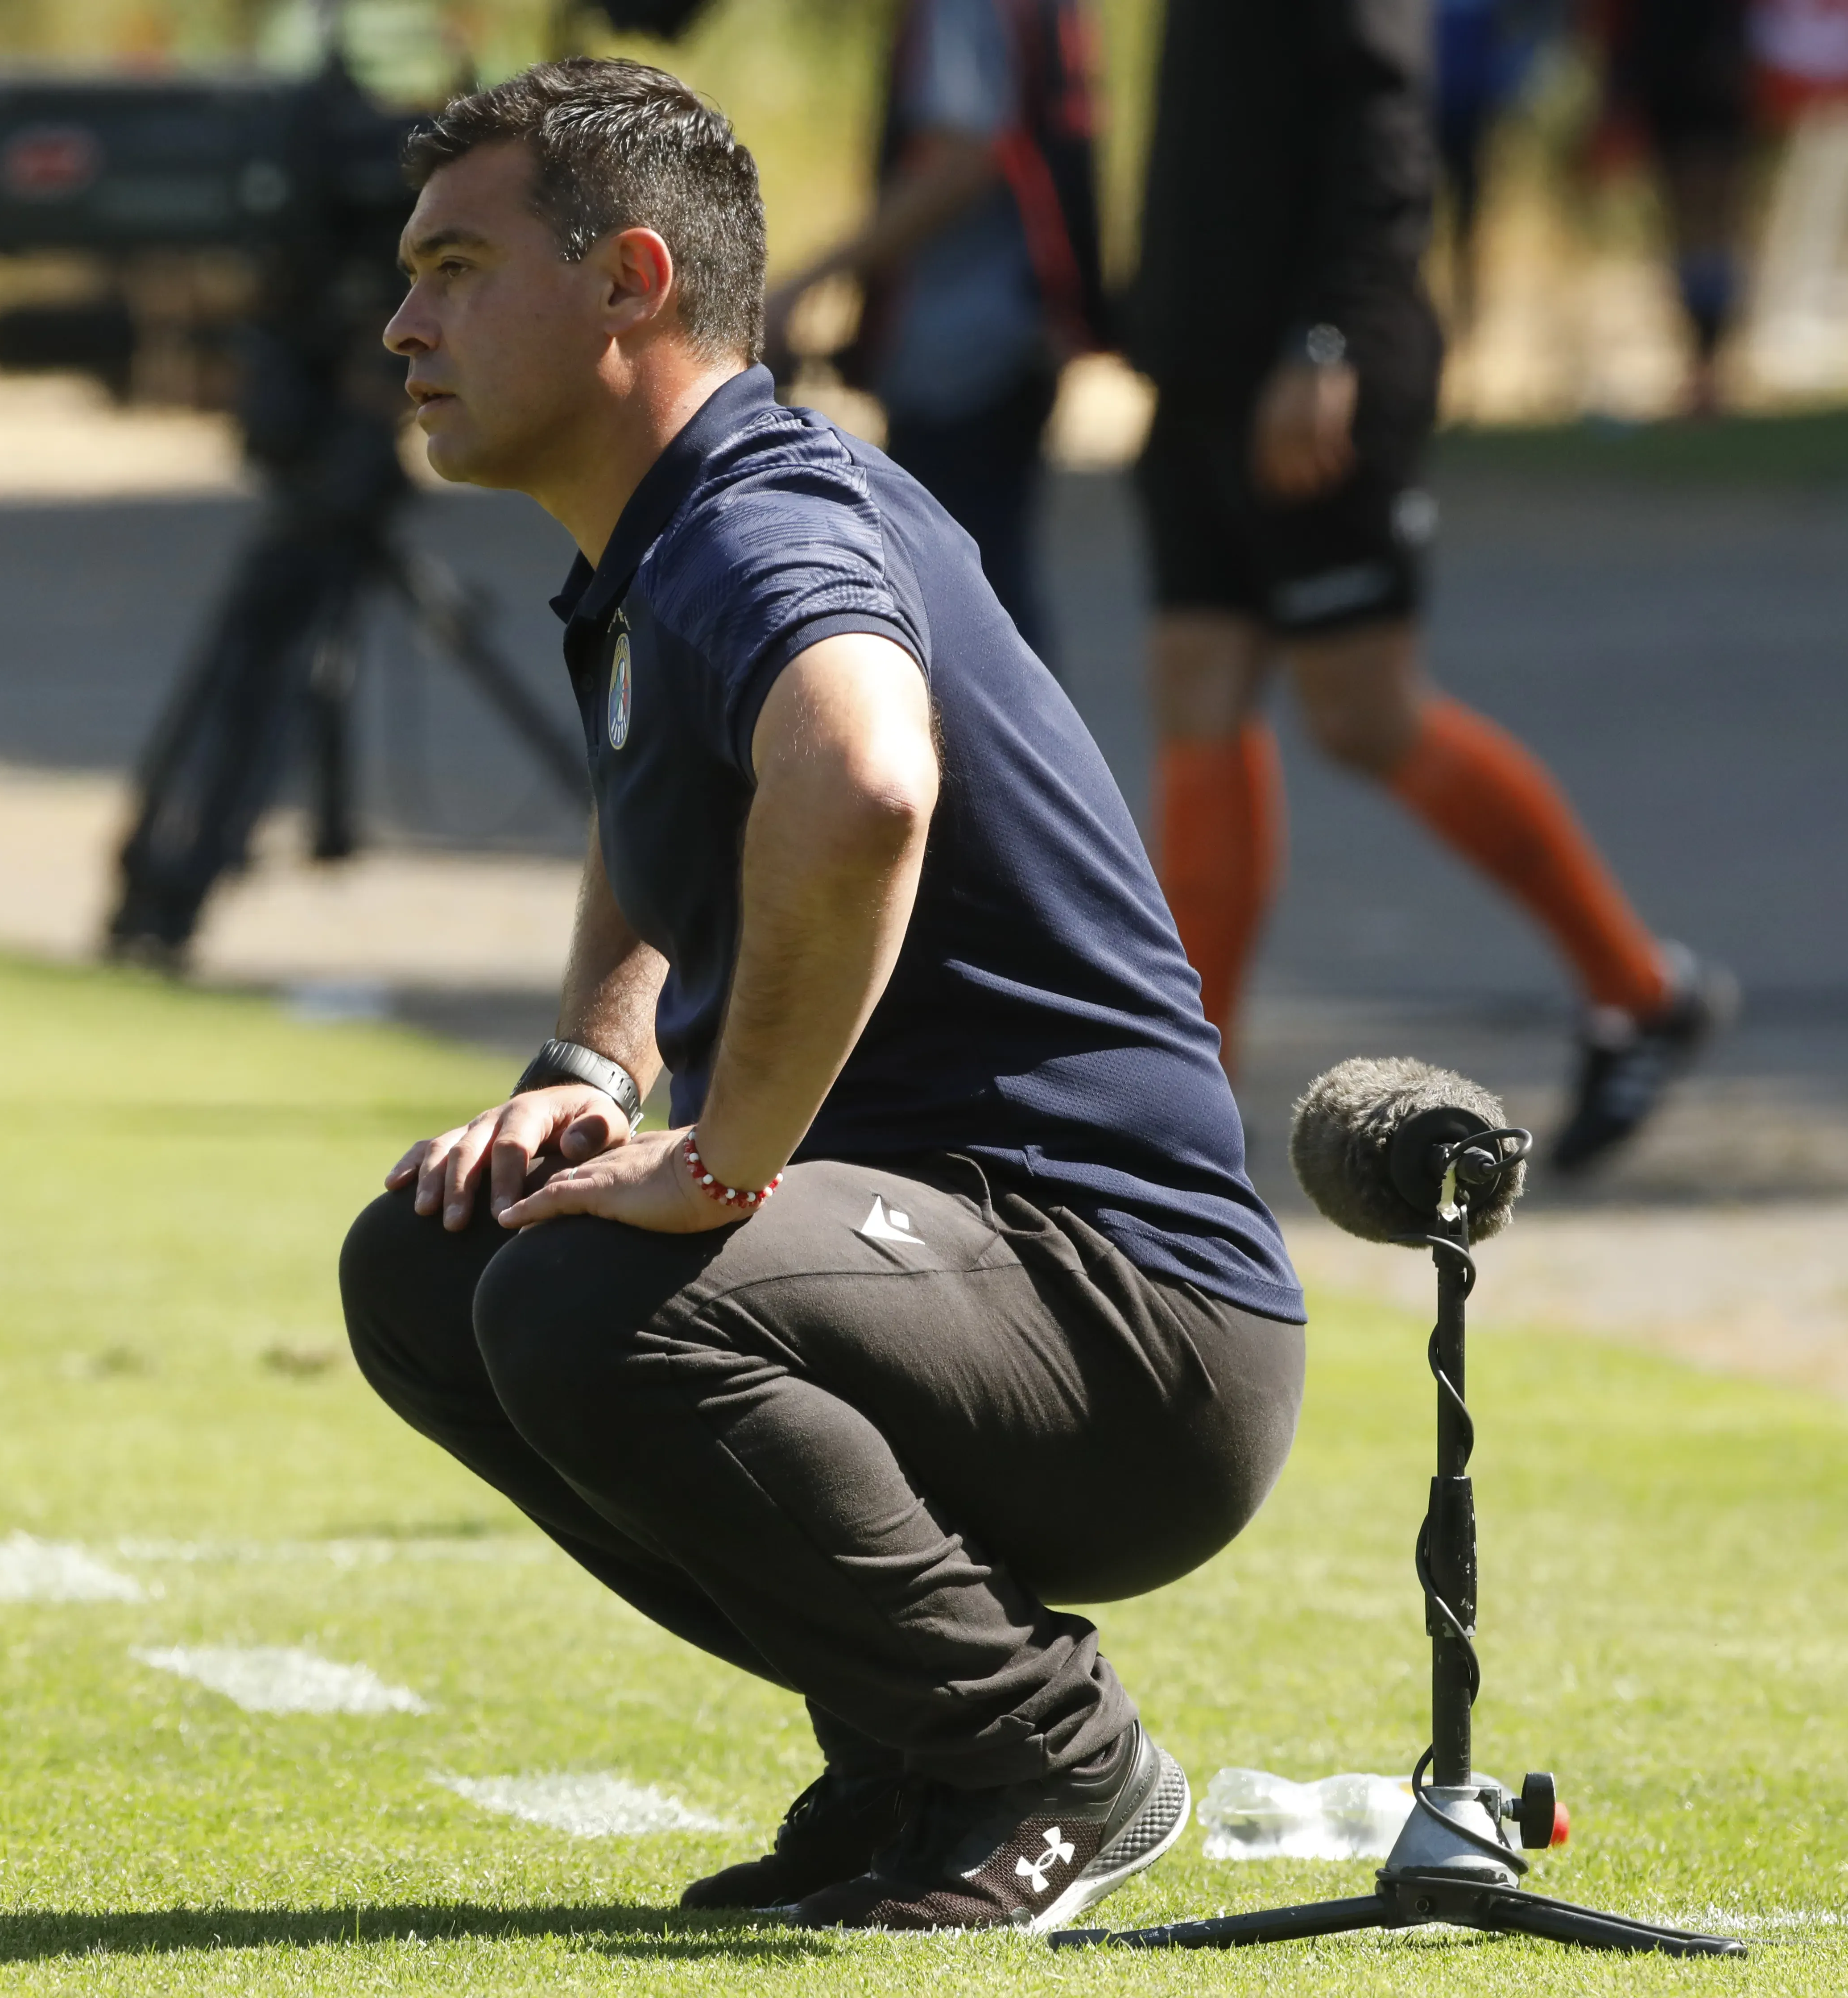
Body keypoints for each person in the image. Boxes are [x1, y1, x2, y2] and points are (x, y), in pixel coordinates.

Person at [340, 58, 1307, 1932]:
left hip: (1126, 1323)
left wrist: (720, 1156)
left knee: (581, 1296)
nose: (402, 325)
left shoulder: (758, 519)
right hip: (948, 1280)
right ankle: (904, 1754)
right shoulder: (655, 546)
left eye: (454, 269)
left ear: (627, 280)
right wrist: (585, 1061)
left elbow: (861, 778)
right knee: (432, 1261)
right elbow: (654, 797)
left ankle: (1041, 1753)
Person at [1128, 0, 1732, 1175]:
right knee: (1195, 690)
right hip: (1203, 376)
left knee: (1363, 715)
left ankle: (1640, 990)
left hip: (1318, 379)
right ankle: (1194, 1107)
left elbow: (1386, 131)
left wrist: (1328, 341)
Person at [761, 0, 1109, 656]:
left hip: (966, 353)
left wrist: (808, 283)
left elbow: (961, 160)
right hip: (1015, 332)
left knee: (958, 614)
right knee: (985, 596)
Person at [1601, 0, 1755, 417]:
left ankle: (1710, 366)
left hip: (1708, 101)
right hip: (1678, 101)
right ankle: (1703, 366)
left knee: (1708, 231)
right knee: (1694, 235)